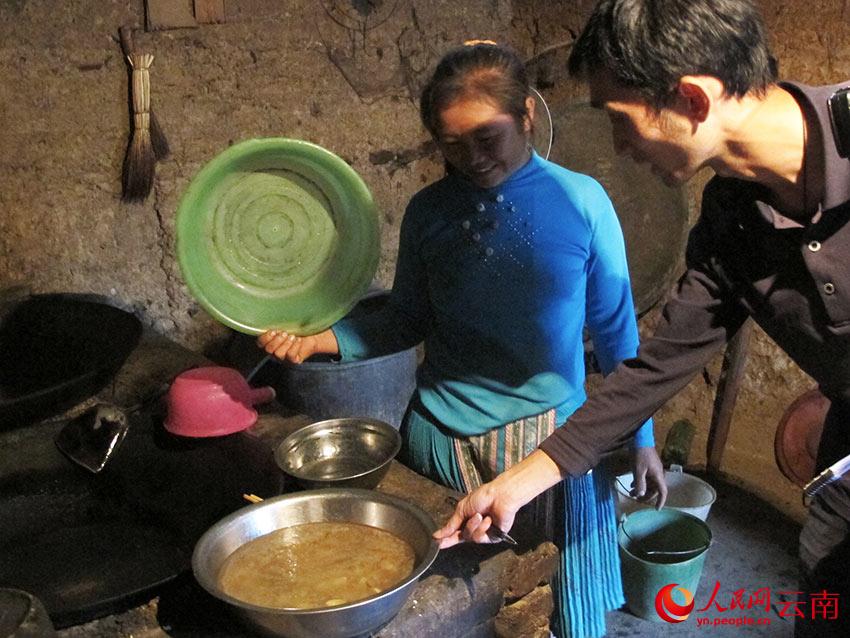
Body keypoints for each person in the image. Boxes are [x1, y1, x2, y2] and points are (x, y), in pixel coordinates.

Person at [435, 2, 850, 636]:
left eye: (619, 120)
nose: (620, 148)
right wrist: (520, 482)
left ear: (691, 98)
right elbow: (657, 365)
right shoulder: (731, 219)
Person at [258, 41, 665, 638]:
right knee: (456, 609)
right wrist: (321, 341)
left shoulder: (583, 203)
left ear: (526, 113)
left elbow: (616, 334)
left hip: (548, 451)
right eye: (451, 143)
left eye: (487, 137)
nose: (471, 158)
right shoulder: (429, 213)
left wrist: (642, 438)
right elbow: (406, 319)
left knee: (548, 606)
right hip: (440, 443)